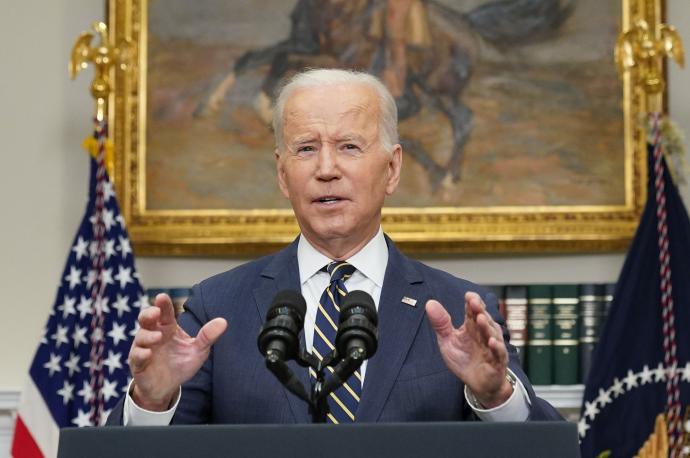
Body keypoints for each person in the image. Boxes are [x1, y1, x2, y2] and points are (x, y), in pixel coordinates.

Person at [107, 68, 562, 425]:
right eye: (306, 149)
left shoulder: (458, 308)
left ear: (392, 168)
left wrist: (495, 395)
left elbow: (542, 448)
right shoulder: (217, 307)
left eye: (348, 146)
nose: (326, 169)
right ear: (283, 174)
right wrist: (153, 398)